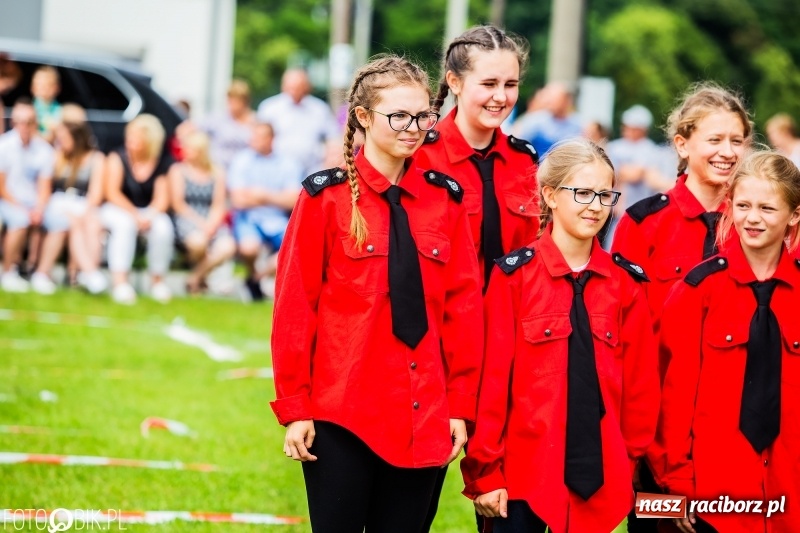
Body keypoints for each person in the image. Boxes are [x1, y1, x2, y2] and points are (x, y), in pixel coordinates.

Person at [270, 54, 483, 532]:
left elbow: (463, 311)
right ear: (362, 118)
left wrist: (461, 406)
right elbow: (294, 308)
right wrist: (295, 408)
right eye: (399, 116)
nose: (413, 128)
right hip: (341, 412)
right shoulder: (325, 198)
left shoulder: (446, 201)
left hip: (424, 412)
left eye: (423, 116)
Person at [461, 139, 659, 533]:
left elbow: (640, 386)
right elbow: (492, 383)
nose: (595, 205)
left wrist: (629, 461)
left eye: (605, 194)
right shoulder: (514, 278)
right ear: (550, 196)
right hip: (522, 477)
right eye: (582, 192)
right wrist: (485, 473)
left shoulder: (626, 285)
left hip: (600, 476)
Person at [610, 83, 752, 533]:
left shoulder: (756, 225)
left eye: (737, 140)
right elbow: (624, 339)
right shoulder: (643, 222)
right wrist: (633, 445)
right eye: (715, 139)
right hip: (656, 440)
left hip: (737, 438)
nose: (727, 152)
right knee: (663, 527)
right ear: (682, 143)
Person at [415, 24, 539, 531]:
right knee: (416, 488)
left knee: (506, 495)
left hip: (508, 346)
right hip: (437, 346)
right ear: (456, 82)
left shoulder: (525, 162)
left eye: (510, 85)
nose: (501, 97)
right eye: (489, 83)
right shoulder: (418, 155)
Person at [652, 151, 800, 533]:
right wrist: (676, 484)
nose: (752, 218)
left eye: (768, 208)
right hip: (713, 493)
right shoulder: (699, 289)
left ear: (794, 216)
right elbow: (673, 394)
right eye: (744, 205)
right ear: (729, 207)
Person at [101, 114, 174, 304]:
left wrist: (148, 215)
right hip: (118, 209)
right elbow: (112, 192)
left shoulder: (161, 163)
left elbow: (161, 199)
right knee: (124, 225)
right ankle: (120, 282)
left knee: (163, 227)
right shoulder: (117, 157)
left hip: (146, 211)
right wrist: (134, 214)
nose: (131, 141)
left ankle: (157, 282)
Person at [227, 122, 302, 301]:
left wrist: (262, 195)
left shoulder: (287, 163)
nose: (256, 141)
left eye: (261, 137)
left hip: (277, 219)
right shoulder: (241, 160)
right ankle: (255, 279)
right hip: (250, 218)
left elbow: (293, 200)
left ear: (271, 139)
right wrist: (276, 198)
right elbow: (238, 200)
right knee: (249, 247)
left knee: (294, 248)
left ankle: (256, 278)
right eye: (254, 137)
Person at [30, 119, 107, 294]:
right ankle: (47, 273)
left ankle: (81, 276)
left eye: (64, 137)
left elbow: (95, 195)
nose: (60, 141)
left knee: (93, 223)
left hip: (82, 204)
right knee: (71, 223)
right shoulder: (56, 156)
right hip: (57, 204)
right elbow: (45, 189)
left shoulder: (96, 159)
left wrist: (85, 213)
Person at [168, 130, 236, 294]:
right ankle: (202, 279)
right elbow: (178, 204)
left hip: (211, 219)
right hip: (187, 218)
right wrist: (201, 224)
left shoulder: (217, 172)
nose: (184, 151)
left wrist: (211, 224)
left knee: (228, 247)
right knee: (198, 242)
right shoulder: (177, 170)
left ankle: (195, 277)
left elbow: (218, 204)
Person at [0, 99, 55, 293]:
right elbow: (2, 187)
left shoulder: (45, 150)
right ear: (13, 123)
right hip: (8, 201)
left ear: (35, 122)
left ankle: (41, 273)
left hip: (33, 203)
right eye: (20, 122)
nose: (24, 126)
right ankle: (8, 272)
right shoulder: (4, 145)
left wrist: (38, 209)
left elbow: (44, 186)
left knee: (60, 222)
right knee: (20, 219)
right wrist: (24, 209)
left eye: (29, 121)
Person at [603, 104, 673, 247]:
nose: (627, 130)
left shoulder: (650, 149)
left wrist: (625, 173)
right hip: (618, 210)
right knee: (613, 245)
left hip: (642, 209)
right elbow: (611, 174)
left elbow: (634, 174)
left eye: (632, 127)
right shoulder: (616, 146)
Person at [256, 68, 340, 176]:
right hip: (276, 171)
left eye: (298, 87)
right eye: (291, 87)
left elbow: (333, 138)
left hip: (312, 170)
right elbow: (259, 139)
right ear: (283, 86)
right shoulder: (269, 108)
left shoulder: (319, 109)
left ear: (306, 87)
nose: (294, 91)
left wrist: (331, 159)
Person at [197, 79, 257, 171]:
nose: (232, 104)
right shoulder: (217, 118)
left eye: (236, 100)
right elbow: (193, 128)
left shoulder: (255, 121)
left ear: (245, 101)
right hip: (218, 169)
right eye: (230, 99)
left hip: (243, 171)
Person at [518, 81, 583, 158]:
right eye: (550, 97)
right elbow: (520, 144)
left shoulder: (578, 124)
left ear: (567, 100)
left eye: (556, 98)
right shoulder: (535, 120)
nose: (551, 101)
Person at [31, 66, 63, 144]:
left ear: (56, 88)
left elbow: (53, 137)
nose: (41, 88)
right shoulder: (30, 109)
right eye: (38, 84)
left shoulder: (60, 111)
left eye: (46, 85)